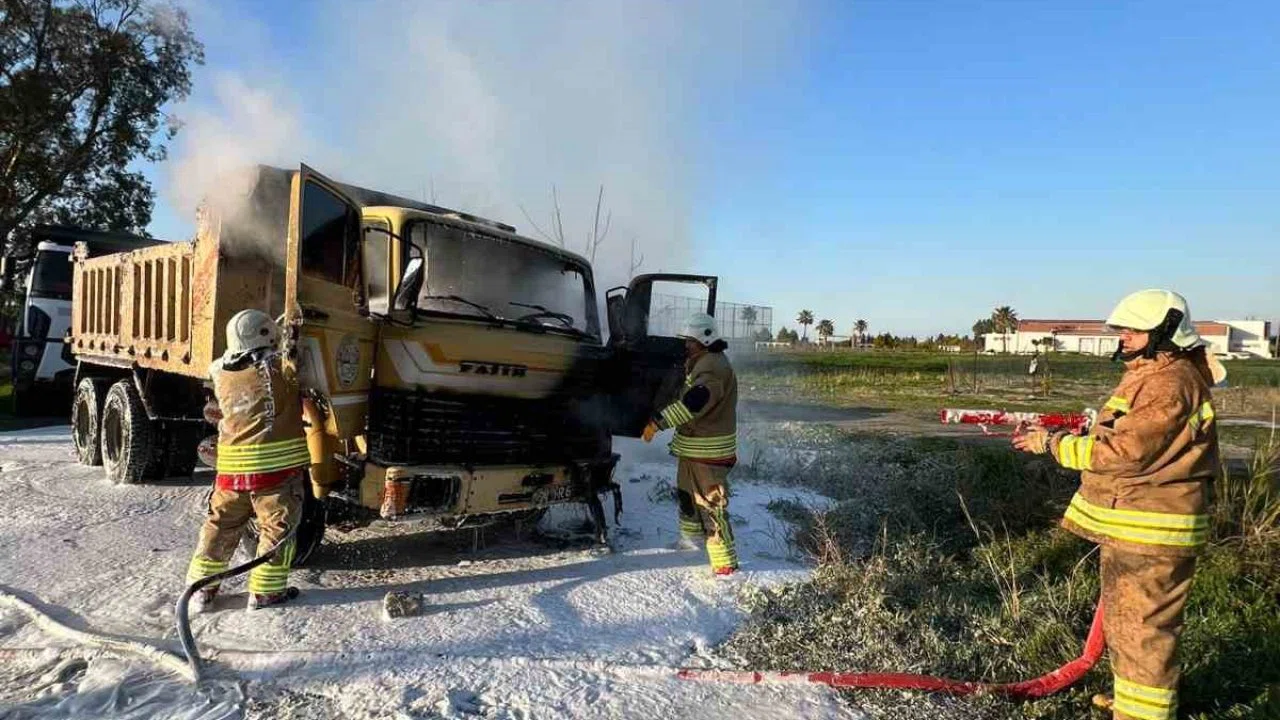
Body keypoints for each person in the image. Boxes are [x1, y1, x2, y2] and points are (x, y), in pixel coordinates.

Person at [1013, 289, 1223, 720]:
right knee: (1128, 624)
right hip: (1137, 524)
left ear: (1165, 331)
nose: (1123, 336)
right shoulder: (1152, 374)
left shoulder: (1169, 383)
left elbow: (1125, 452)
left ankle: (1143, 714)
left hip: (1153, 528)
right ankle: (1135, 702)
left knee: (1143, 629)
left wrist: (1052, 444)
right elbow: (1126, 434)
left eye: (1133, 329)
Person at [187, 309, 313, 611]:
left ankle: (202, 590)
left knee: (220, 525)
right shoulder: (279, 369)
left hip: (231, 472)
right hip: (275, 472)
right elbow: (302, 368)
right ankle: (266, 592)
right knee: (277, 529)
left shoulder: (220, 372)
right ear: (266, 335)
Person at [643, 312, 740, 576]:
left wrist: (658, 423)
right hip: (694, 448)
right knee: (687, 497)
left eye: (690, 341)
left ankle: (724, 562)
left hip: (708, 451)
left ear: (704, 341)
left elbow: (693, 403)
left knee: (710, 504)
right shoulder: (702, 362)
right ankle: (692, 543)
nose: (686, 345)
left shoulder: (712, 368)